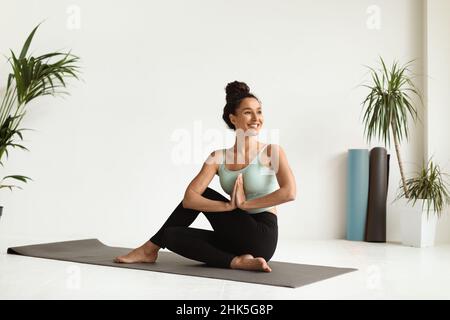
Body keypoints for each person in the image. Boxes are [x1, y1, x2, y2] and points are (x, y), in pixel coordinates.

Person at [114, 81, 296, 272]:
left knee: (206, 193)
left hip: (261, 235)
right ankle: (238, 261)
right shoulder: (218, 157)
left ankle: (149, 249)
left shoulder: (271, 152)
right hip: (233, 236)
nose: (256, 118)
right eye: (248, 112)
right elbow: (189, 199)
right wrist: (228, 205)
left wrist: (244, 205)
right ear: (233, 119)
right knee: (170, 235)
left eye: (259, 111)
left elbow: (289, 192)